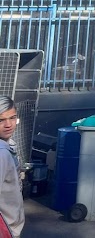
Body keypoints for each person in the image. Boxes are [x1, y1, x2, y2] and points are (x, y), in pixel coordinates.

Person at [0, 96, 23, 237]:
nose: (9, 124)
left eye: (12, 117)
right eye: (1, 120)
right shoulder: (1, 153)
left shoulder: (9, 144)